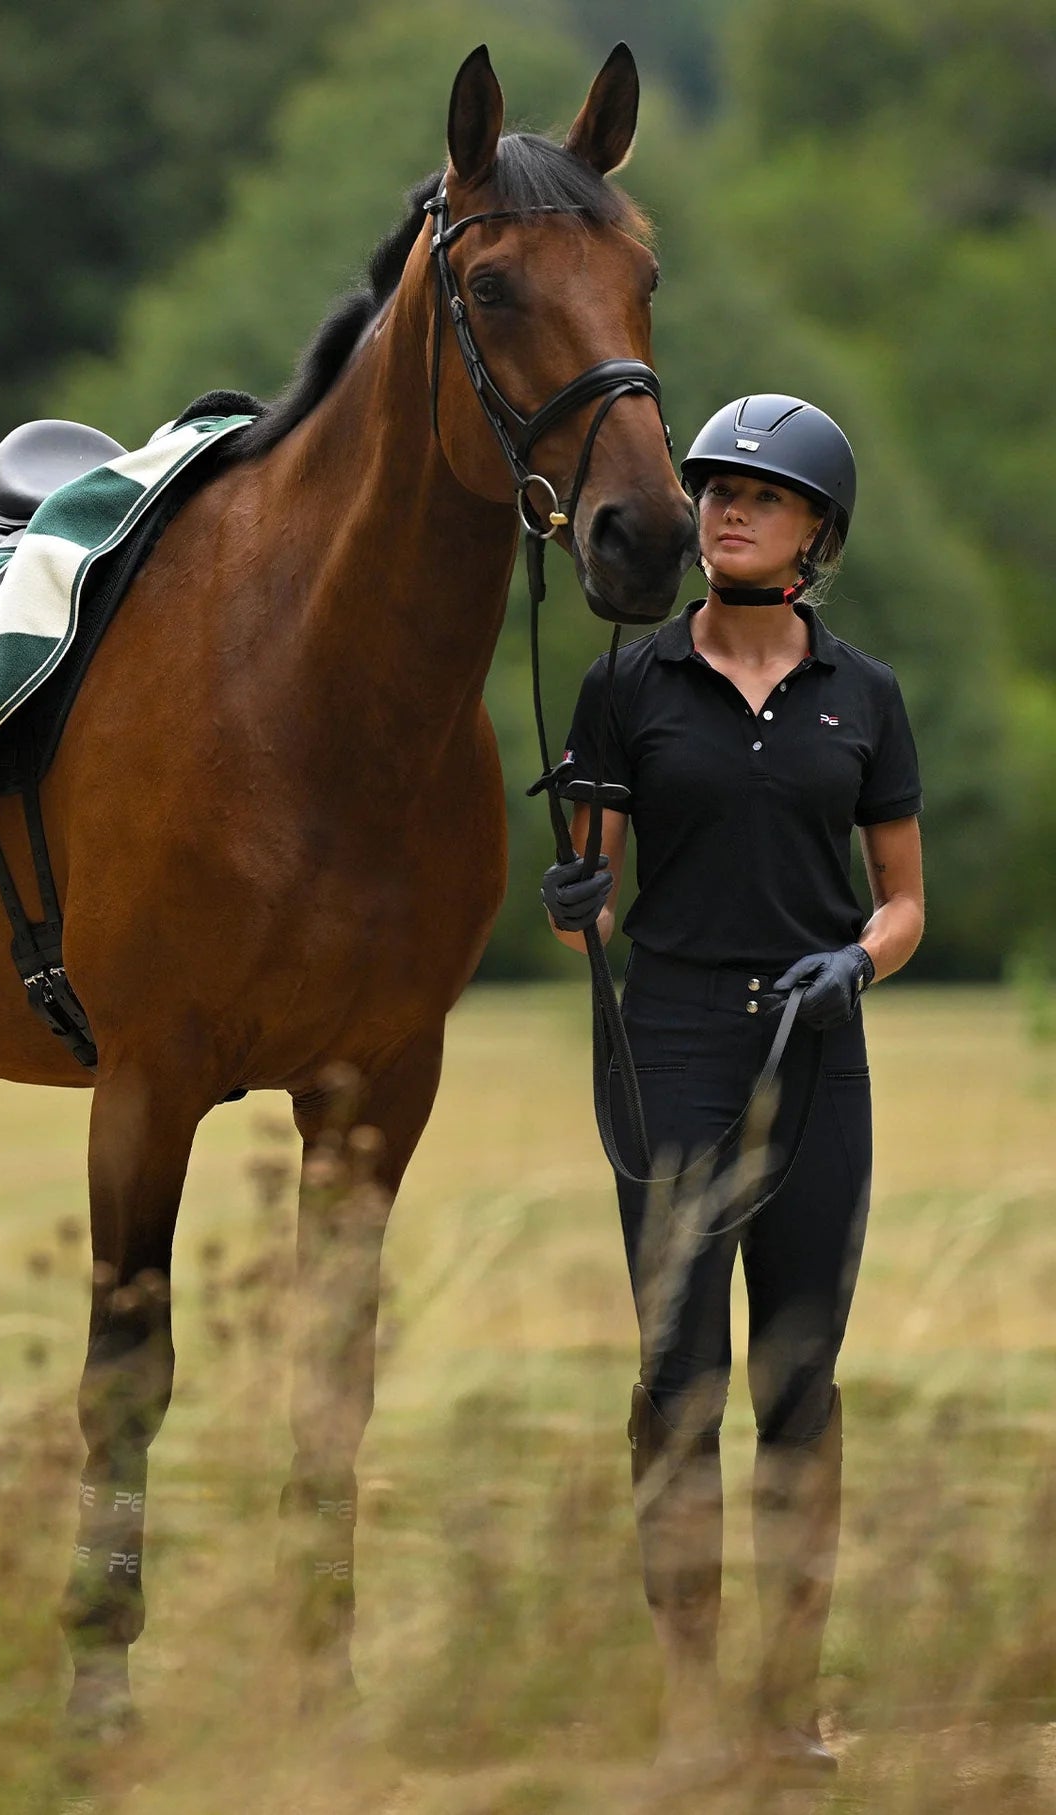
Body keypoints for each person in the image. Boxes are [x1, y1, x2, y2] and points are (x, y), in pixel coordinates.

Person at [541, 396, 925, 1781]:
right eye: (713, 490)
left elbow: (904, 903)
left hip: (821, 1044)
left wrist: (858, 965)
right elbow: (585, 909)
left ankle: (786, 1704)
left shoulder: (864, 696)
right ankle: (692, 1702)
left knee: (801, 1377)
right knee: (678, 1374)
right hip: (676, 1040)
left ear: (818, 529)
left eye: (760, 494)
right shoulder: (627, 688)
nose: (725, 508)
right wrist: (573, 893)